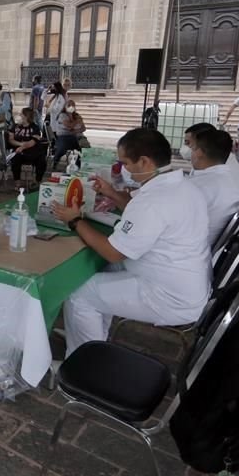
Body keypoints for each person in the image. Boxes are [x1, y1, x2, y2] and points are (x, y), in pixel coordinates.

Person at [51, 128, 211, 355]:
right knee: (102, 275)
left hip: (167, 296)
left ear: (144, 161)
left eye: (126, 163)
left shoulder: (154, 201)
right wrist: (111, 192)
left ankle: (83, 363)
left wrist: (75, 220)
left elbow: (113, 252)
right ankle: (92, 336)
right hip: (183, 280)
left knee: (79, 293)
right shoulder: (181, 185)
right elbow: (143, 214)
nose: (123, 169)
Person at [183, 123, 239, 229]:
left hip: (220, 239)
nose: (186, 148)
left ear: (201, 148)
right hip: (233, 236)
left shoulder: (213, 178)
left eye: (189, 144)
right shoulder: (220, 166)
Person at [186, 129, 239, 246]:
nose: (190, 153)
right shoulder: (227, 179)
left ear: (199, 152)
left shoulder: (198, 187)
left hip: (191, 251)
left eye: (192, 148)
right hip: (209, 247)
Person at [7, 107, 48, 182]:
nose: (19, 115)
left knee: (42, 160)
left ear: (26, 116)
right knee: (15, 159)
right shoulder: (15, 126)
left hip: (32, 151)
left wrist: (22, 147)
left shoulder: (35, 128)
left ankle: (37, 181)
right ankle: (17, 182)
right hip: (18, 150)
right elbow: (11, 140)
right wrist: (20, 144)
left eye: (21, 114)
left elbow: (33, 142)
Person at [52, 98, 85, 164]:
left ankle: (78, 165)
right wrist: (77, 122)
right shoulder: (62, 115)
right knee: (63, 147)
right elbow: (69, 125)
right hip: (63, 136)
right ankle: (56, 160)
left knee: (80, 148)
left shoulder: (76, 115)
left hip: (74, 136)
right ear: (65, 106)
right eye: (69, 105)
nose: (71, 107)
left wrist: (75, 131)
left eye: (73, 105)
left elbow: (83, 128)